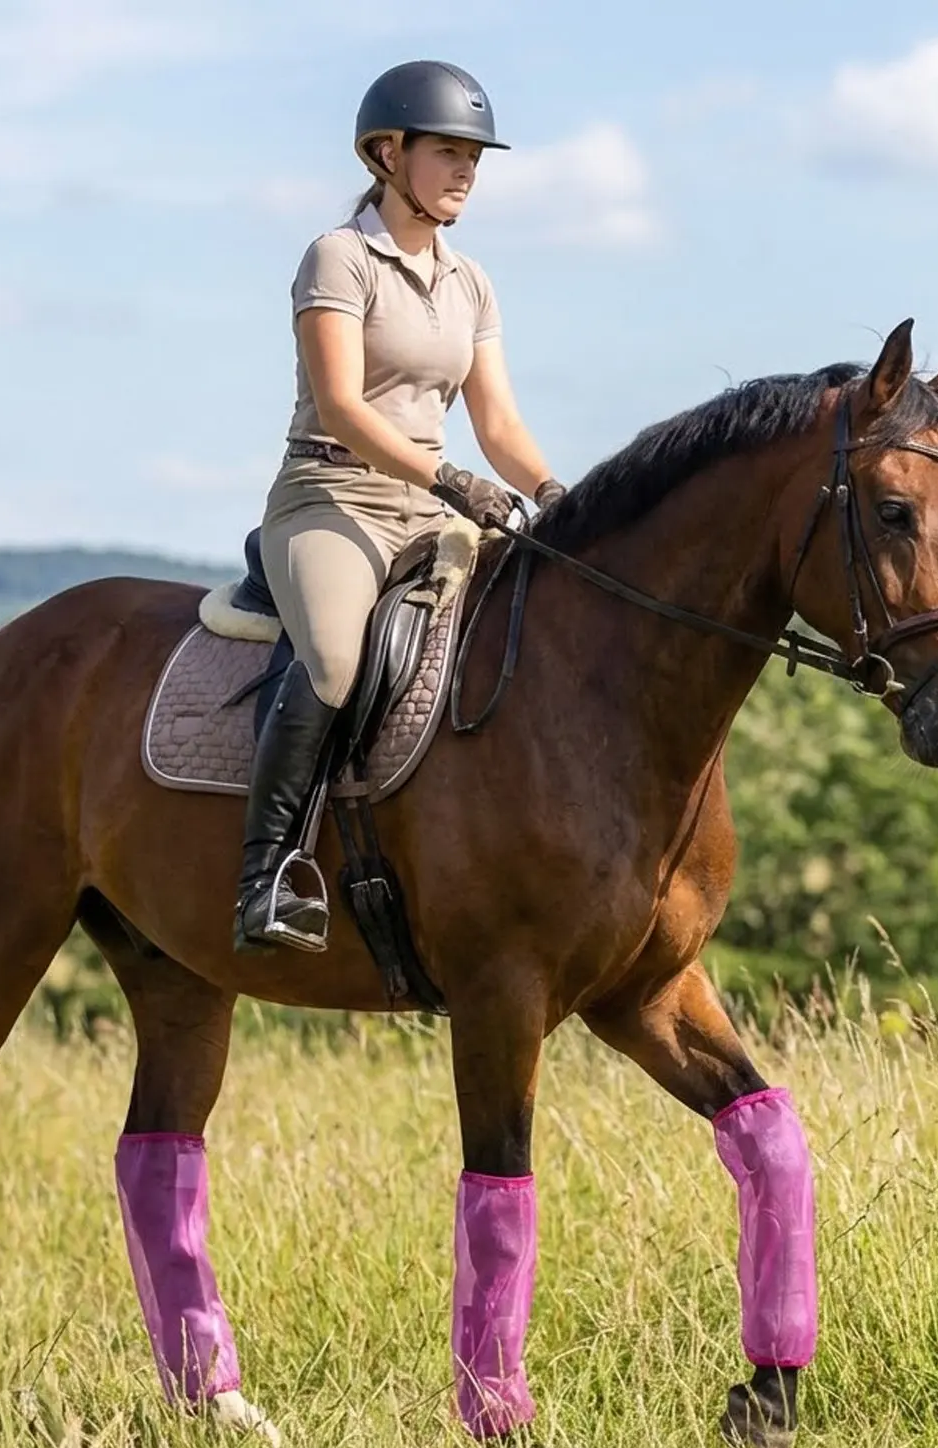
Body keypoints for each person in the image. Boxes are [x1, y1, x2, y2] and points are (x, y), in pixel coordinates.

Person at [235, 60, 564, 955]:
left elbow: (495, 419)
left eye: (473, 157)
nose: (465, 171)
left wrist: (551, 492)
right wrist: (447, 476)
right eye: (447, 152)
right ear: (387, 153)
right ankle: (265, 875)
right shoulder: (338, 257)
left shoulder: (470, 282)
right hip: (330, 496)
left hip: (427, 511)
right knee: (337, 662)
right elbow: (343, 405)